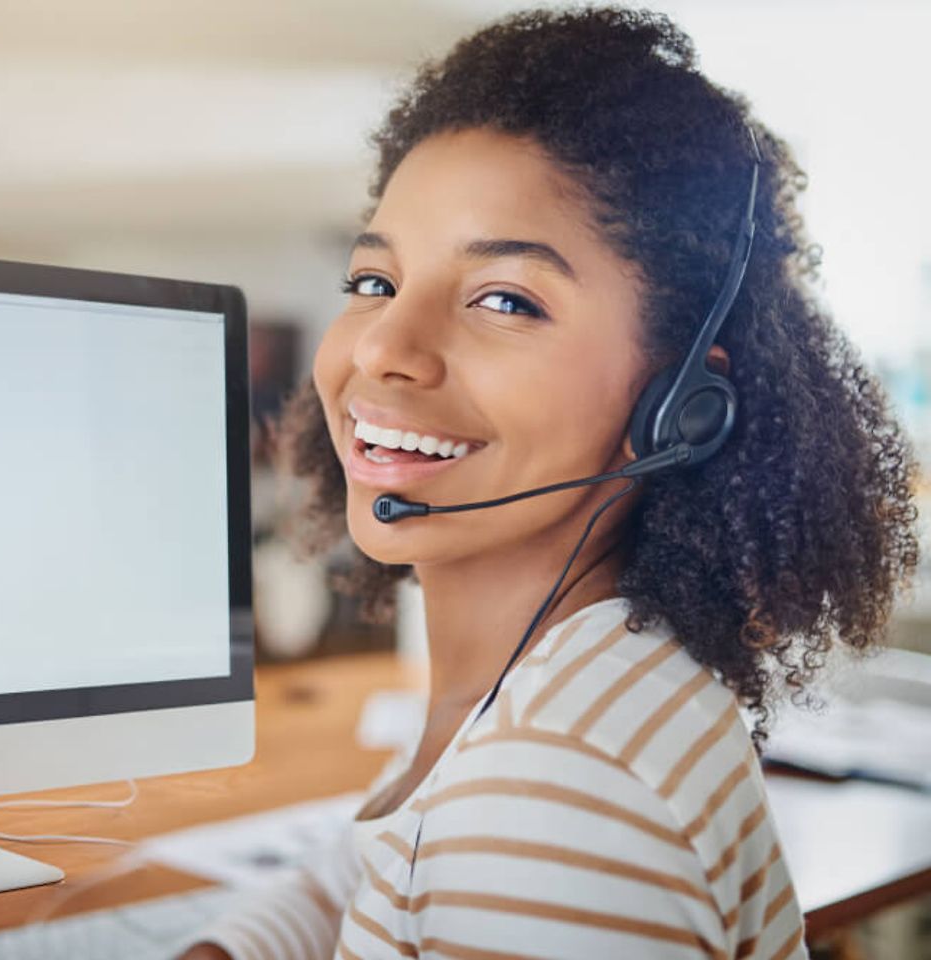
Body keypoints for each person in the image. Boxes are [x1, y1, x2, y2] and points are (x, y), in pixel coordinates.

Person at [181, 6, 921, 959]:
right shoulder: (559, 686)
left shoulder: (561, 790)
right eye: (374, 282)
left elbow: (488, 845)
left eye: (506, 300)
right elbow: (370, 868)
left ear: (679, 405)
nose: (385, 349)